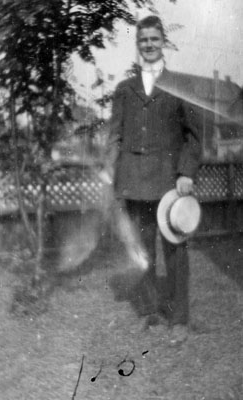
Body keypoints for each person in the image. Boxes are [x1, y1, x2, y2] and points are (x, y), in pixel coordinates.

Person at [107, 15, 201, 335]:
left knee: (176, 252)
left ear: (164, 43)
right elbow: (114, 136)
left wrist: (186, 172)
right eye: (143, 39)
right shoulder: (124, 89)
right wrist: (112, 175)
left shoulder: (180, 87)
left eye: (154, 39)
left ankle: (178, 319)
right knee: (143, 251)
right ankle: (151, 312)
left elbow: (194, 137)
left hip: (169, 184)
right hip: (134, 182)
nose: (149, 44)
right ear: (138, 44)